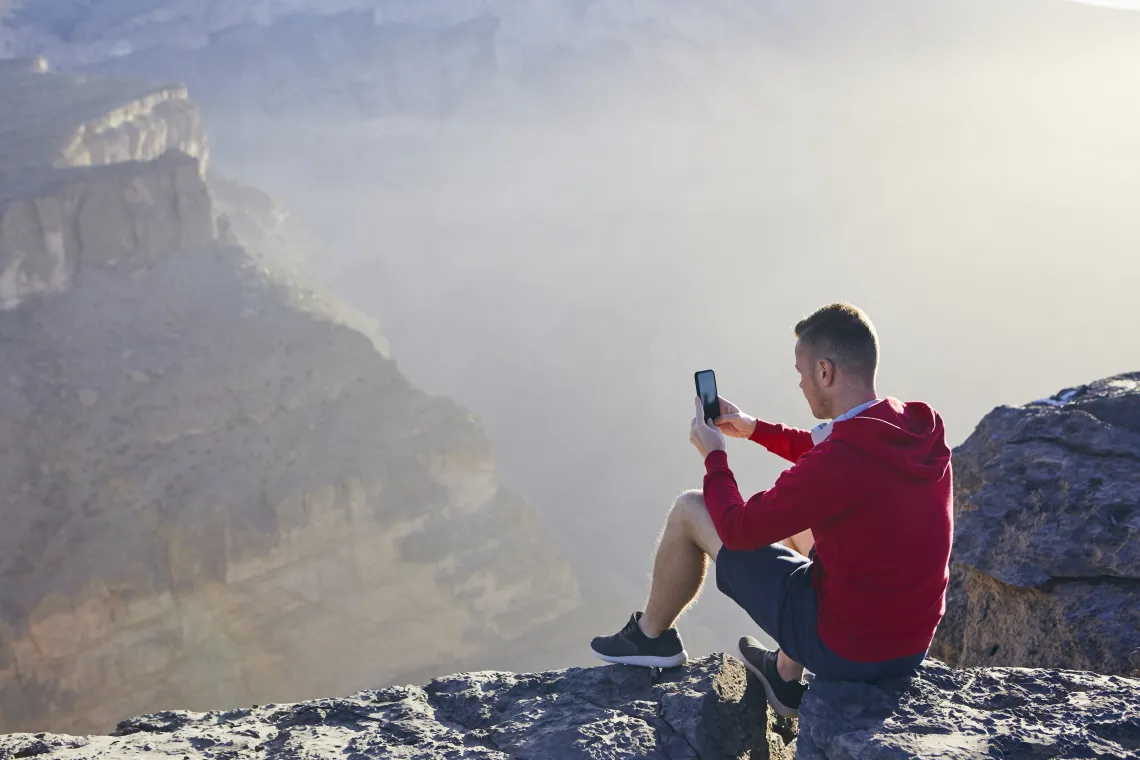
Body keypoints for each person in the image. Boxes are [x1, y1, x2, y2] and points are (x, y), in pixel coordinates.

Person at [590, 302, 953, 718]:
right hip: (909, 646)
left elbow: (738, 529)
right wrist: (755, 429)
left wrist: (715, 456)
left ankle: (650, 639)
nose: (799, 384)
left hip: (848, 651)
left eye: (800, 372)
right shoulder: (917, 428)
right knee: (801, 534)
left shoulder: (841, 461)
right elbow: (834, 449)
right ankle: (783, 675)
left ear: (824, 372)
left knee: (692, 508)